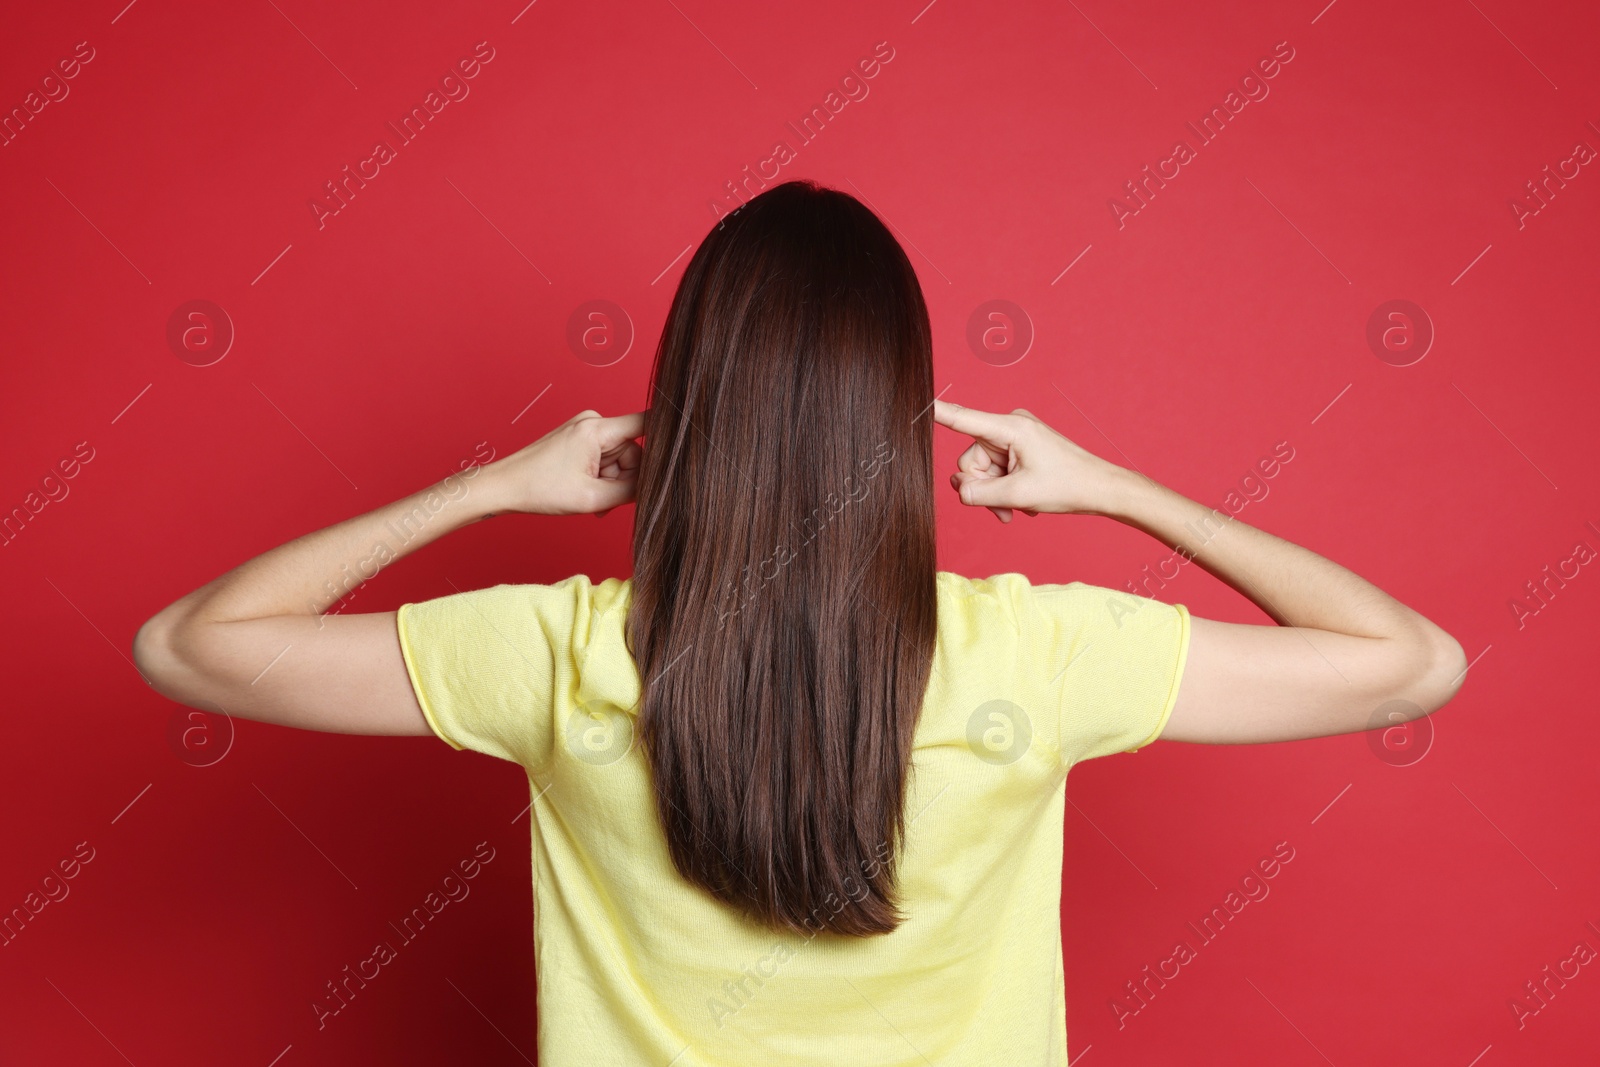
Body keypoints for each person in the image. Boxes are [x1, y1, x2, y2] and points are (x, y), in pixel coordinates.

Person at [132, 180, 1466, 1065]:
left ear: (690, 406)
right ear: (898, 416)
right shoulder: (1036, 655)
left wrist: (494, 488)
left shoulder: (566, 655)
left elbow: (190, 643)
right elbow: (1410, 665)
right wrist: (1115, 491)